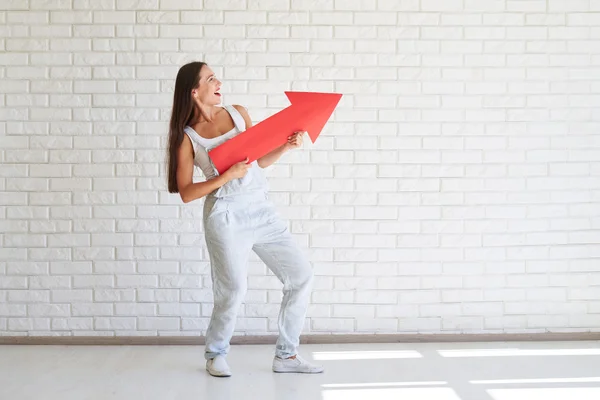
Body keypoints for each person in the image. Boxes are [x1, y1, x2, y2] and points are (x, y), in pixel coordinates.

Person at [166, 61, 324, 377]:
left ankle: (287, 356)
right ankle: (216, 354)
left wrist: (285, 146)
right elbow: (186, 192)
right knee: (233, 289)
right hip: (225, 216)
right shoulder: (188, 137)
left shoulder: (238, 113)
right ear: (195, 91)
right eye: (211, 79)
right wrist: (225, 177)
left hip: (261, 210)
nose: (218, 81)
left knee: (301, 276)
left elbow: (260, 160)